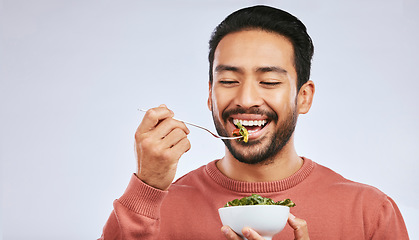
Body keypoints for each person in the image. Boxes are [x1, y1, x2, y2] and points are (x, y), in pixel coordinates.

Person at [99, 5, 409, 240]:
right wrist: (146, 187)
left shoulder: (369, 213)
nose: (246, 99)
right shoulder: (156, 209)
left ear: (304, 97)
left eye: (270, 81)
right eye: (229, 80)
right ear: (210, 95)